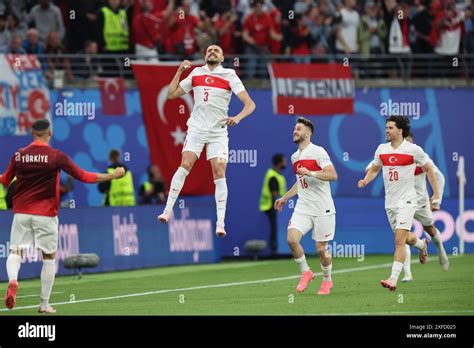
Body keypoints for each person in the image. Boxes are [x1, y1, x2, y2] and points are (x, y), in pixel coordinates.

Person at [0, 119, 125, 312]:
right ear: (49, 133)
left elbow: (6, 180)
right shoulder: (56, 156)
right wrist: (112, 176)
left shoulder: (19, 155)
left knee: (16, 252)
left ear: (32, 133)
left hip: (22, 213)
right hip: (46, 214)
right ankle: (43, 304)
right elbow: (83, 176)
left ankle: (14, 281)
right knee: (48, 257)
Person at [158, 44, 256, 238]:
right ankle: (168, 210)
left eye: (216, 51)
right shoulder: (195, 73)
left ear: (222, 58)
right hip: (196, 128)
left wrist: (238, 117)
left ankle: (220, 222)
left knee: (219, 170)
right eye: (209, 50)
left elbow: (250, 104)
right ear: (204, 56)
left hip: (218, 130)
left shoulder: (229, 75)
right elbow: (171, 95)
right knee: (185, 164)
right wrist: (179, 71)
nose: (212, 52)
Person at [358, 116, 440, 291]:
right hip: (390, 203)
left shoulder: (413, 150)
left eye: (390, 128)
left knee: (398, 241)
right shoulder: (381, 149)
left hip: (408, 201)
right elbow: (374, 168)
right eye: (386, 127)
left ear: (400, 130)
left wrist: (436, 193)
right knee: (404, 237)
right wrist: (366, 180)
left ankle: (393, 278)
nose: (386, 131)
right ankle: (421, 244)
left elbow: (429, 169)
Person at [274, 117, 338, 295]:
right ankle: (306, 272)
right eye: (294, 129)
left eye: (299, 129)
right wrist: (285, 197)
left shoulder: (318, 151)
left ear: (308, 133)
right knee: (292, 240)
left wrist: (311, 172)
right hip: (303, 206)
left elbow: (332, 175)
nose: (295, 131)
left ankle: (327, 280)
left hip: (322, 207)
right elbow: (300, 182)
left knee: (321, 249)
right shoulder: (295, 157)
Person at [259, 154, 287, 254]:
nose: (285, 163)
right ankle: (274, 250)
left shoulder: (276, 174)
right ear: (279, 162)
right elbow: (274, 194)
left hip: (274, 205)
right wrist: (278, 206)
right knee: (275, 228)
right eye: (284, 161)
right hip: (272, 206)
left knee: (275, 228)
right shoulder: (273, 176)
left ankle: (276, 249)